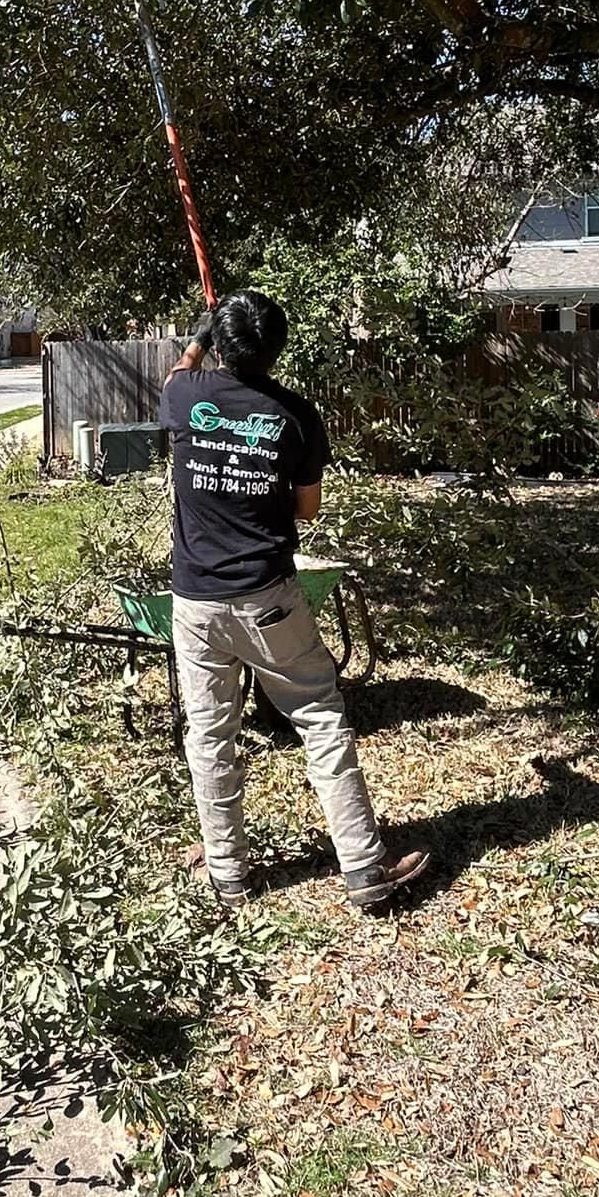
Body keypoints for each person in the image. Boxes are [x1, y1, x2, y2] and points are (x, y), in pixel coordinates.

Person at [158, 290, 429, 910]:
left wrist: (203, 332)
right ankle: (363, 867)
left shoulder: (184, 395)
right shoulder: (299, 416)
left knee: (209, 733)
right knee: (320, 716)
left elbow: (180, 368)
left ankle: (228, 874)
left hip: (195, 601)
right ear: (279, 351)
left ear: (219, 346)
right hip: (268, 596)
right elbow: (305, 508)